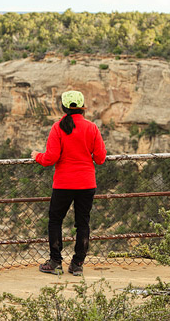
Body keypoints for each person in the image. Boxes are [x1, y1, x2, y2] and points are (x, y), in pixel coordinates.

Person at [31, 90, 107, 276]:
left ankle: (55, 262)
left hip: (64, 183)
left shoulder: (58, 127)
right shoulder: (92, 128)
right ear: (82, 108)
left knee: (55, 221)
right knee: (83, 223)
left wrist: (36, 156)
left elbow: (50, 158)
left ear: (63, 107)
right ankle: (77, 264)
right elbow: (101, 158)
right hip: (86, 183)